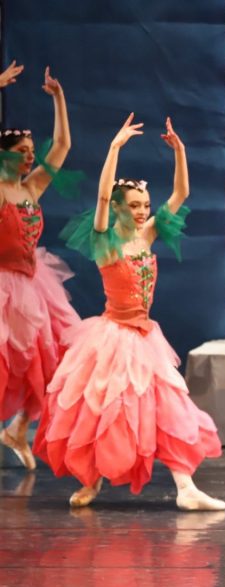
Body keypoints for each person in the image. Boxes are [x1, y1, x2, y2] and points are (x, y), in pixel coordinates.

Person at [33, 114, 224, 511]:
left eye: (145, 205)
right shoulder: (106, 241)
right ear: (118, 208)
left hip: (146, 337)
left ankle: (186, 487)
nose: (141, 211)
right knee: (102, 410)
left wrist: (180, 152)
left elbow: (182, 193)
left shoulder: (147, 234)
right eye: (134, 205)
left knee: (169, 406)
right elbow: (103, 197)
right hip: (112, 337)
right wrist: (114, 148)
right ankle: (91, 480)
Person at [0, 63, 81, 470]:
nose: (30, 157)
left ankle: (18, 429)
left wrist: (59, 98)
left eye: (31, 151)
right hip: (3, 287)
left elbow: (62, 146)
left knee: (54, 361)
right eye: (22, 152)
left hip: (33, 285)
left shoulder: (32, 187)